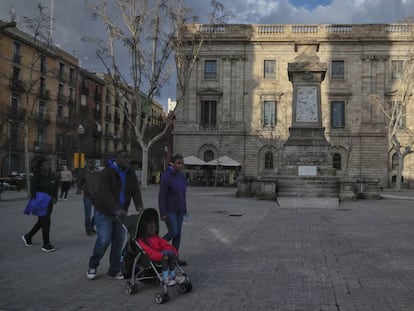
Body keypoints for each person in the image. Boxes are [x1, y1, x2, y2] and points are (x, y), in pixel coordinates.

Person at [86, 150, 143, 280]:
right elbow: (105, 193)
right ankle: (93, 264)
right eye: (124, 158)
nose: (127, 160)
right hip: (105, 212)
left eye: (129, 158)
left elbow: (135, 191)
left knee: (118, 242)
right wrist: (116, 210)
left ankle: (114, 269)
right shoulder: (107, 172)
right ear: (116, 159)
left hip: (121, 214)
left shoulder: (131, 173)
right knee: (104, 240)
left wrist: (139, 206)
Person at [22, 157, 59, 252]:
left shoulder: (51, 176)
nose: (47, 166)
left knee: (41, 222)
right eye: (45, 165)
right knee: (46, 221)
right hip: (41, 203)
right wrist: (43, 198)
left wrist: (55, 197)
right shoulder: (36, 177)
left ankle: (28, 236)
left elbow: (55, 187)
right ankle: (46, 244)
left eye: (48, 164)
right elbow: (33, 192)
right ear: (40, 167)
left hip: (50, 203)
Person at [159, 154, 187, 266]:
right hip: (169, 210)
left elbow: (183, 194)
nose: (181, 165)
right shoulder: (166, 177)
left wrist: (184, 208)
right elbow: (162, 195)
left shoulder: (182, 176)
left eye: (182, 163)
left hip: (180, 209)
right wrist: (163, 212)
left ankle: (175, 257)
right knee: (173, 231)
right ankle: (156, 246)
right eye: (178, 163)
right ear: (172, 163)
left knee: (178, 235)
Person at [137, 221, 182, 286]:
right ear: (145, 230)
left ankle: (173, 275)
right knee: (165, 255)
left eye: (155, 227)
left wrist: (174, 251)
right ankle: (165, 278)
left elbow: (165, 245)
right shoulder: (142, 241)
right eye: (152, 228)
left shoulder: (156, 237)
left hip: (161, 255)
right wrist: (161, 255)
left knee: (170, 253)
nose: (155, 230)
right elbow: (149, 251)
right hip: (153, 257)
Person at [77, 160, 99, 235]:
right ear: (87, 163)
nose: (91, 164)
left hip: (97, 196)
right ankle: (88, 230)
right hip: (87, 196)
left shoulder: (98, 172)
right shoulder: (84, 172)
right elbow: (79, 184)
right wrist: (85, 189)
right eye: (89, 162)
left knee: (98, 213)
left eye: (92, 162)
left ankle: (91, 226)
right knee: (88, 214)